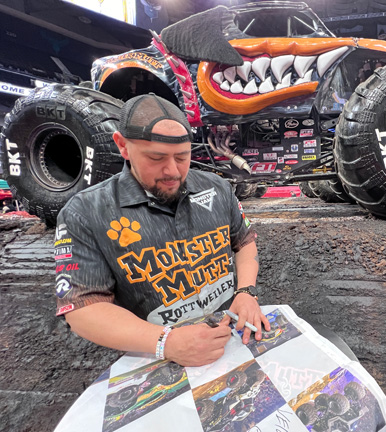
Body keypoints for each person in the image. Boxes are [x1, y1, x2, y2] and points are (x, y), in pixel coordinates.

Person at [54, 94, 269, 367]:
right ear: (123, 146)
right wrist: (166, 342)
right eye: (156, 157)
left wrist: (246, 292)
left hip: (229, 338)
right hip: (157, 355)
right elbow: (82, 307)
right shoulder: (84, 213)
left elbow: (244, 241)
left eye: (182, 157)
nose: (172, 171)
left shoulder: (216, 188)